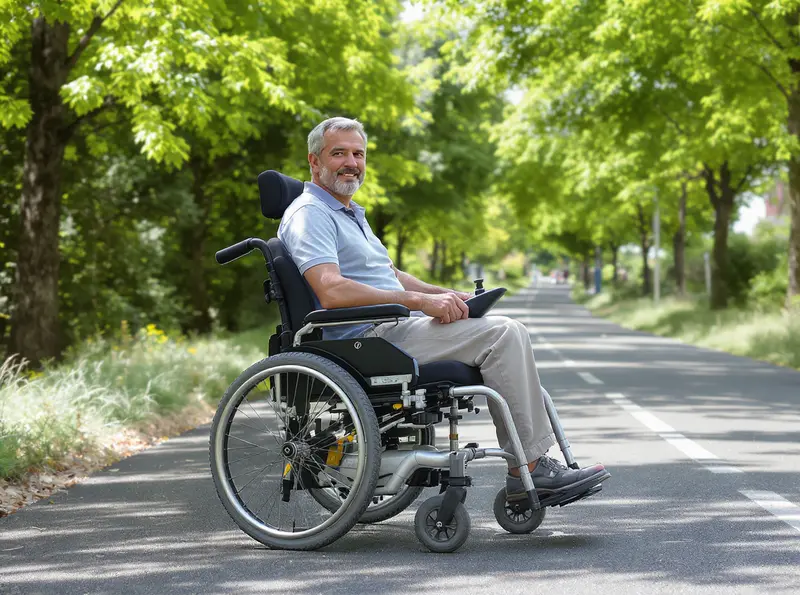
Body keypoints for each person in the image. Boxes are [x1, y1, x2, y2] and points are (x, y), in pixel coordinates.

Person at [278, 117, 608, 501]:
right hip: (365, 338)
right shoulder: (311, 214)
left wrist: (448, 295)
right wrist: (421, 303)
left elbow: (391, 276)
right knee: (504, 334)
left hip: (391, 327)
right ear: (315, 161)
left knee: (492, 325)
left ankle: (531, 466)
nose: (352, 163)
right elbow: (331, 289)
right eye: (339, 153)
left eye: (358, 154)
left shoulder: (349, 214)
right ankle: (529, 470)